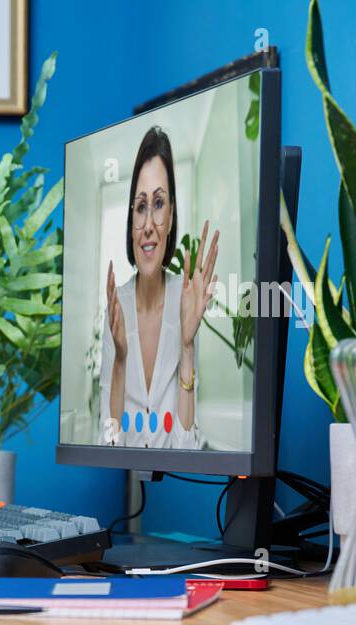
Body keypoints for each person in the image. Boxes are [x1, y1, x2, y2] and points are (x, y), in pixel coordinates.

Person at [99, 125, 218, 449]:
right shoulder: (116, 307)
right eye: (140, 206)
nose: (149, 225)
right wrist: (121, 361)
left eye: (159, 203)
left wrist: (188, 346)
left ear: (172, 211)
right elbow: (109, 440)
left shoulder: (187, 299)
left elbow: (186, 447)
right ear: (131, 219)